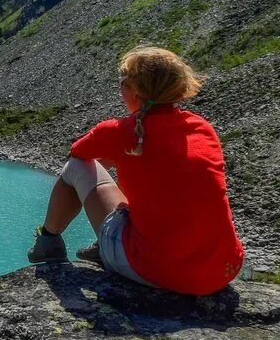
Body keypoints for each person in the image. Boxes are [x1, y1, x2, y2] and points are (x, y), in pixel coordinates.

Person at [26, 46, 244, 295]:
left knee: (75, 168)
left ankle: (48, 241)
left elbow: (78, 153)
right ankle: (109, 244)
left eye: (122, 83)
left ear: (136, 90)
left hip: (156, 271)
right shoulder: (202, 128)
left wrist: (113, 156)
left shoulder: (117, 132)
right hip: (221, 271)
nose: (120, 90)